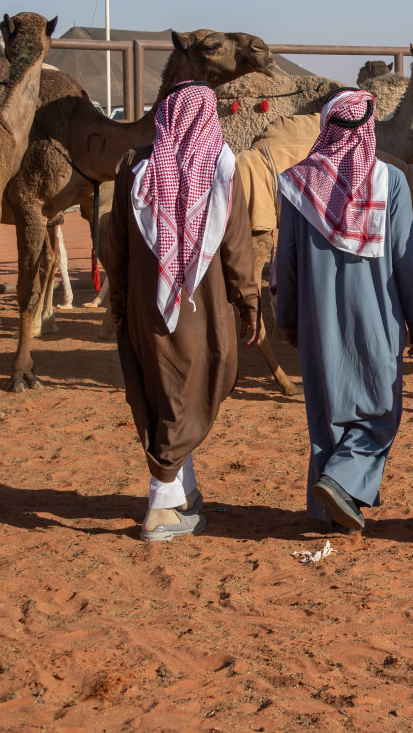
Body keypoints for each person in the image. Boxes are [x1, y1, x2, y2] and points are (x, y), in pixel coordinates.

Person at [102, 81, 258, 542]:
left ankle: (182, 489)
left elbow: (115, 246)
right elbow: (237, 247)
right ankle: (161, 507)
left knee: (164, 392)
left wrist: (119, 302)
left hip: (145, 309)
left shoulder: (135, 164)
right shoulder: (223, 166)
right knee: (197, 386)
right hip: (203, 310)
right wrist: (247, 302)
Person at [273, 89, 413, 532]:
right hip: (377, 315)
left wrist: (287, 315)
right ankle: (341, 481)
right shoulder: (390, 181)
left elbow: (286, 259)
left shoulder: (296, 184)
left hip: (316, 317)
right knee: (381, 409)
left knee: (326, 409)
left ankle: (328, 509)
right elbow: (406, 258)